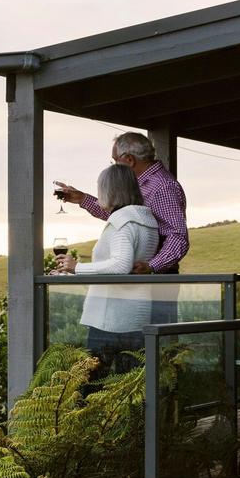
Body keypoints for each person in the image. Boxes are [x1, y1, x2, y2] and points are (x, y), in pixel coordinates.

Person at [55, 164, 159, 375]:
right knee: (129, 390)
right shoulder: (146, 221)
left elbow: (121, 265)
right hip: (138, 317)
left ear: (110, 190)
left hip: (110, 321)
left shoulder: (122, 222)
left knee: (89, 387)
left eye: (100, 188)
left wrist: (77, 268)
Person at [55, 132, 188, 274]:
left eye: (115, 160)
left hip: (157, 277)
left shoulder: (162, 186)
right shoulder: (141, 184)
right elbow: (121, 215)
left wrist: (152, 266)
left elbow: (178, 236)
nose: (113, 166)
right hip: (142, 276)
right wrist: (82, 199)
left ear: (129, 159)